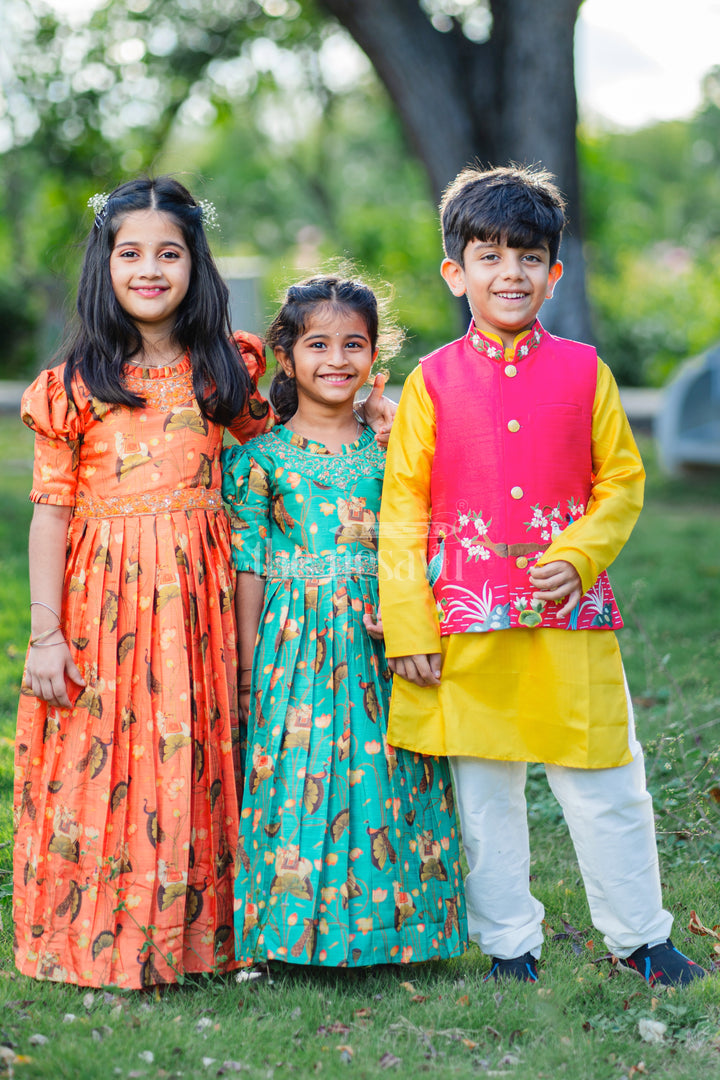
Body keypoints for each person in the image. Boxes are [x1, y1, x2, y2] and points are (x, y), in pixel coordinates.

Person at [13, 178, 393, 990]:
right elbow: (49, 515)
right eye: (131, 253)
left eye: (169, 253)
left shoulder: (229, 367)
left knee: (196, 759)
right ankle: (105, 940)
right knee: (108, 759)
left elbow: (286, 449)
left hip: (202, 599)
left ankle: (204, 939)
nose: (150, 269)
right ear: (104, 265)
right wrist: (46, 634)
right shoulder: (72, 385)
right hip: (103, 599)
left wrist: (377, 425)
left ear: (196, 264)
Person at [378, 165, 706, 987]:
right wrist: (410, 628)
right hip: (465, 620)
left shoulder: (586, 371)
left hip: (571, 621)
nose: (510, 274)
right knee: (486, 794)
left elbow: (622, 481)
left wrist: (577, 554)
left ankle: (641, 939)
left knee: (607, 780)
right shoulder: (430, 383)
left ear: (554, 274)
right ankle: (508, 947)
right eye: (488, 256)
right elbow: (402, 512)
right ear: (456, 272)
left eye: (528, 257)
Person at [221, 275, 467, 968]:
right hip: (291, 647)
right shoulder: (257, 460)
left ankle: (403, 934)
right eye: (319, 344)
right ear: (287, 356)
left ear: (375, 355)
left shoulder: (396, 451)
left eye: (353, 344)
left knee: (392, 773)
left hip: (383, 634)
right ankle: (290, 936)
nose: (337, 359)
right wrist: (245, 672)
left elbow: (428, 540)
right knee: (298, 775)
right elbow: (249, 569)